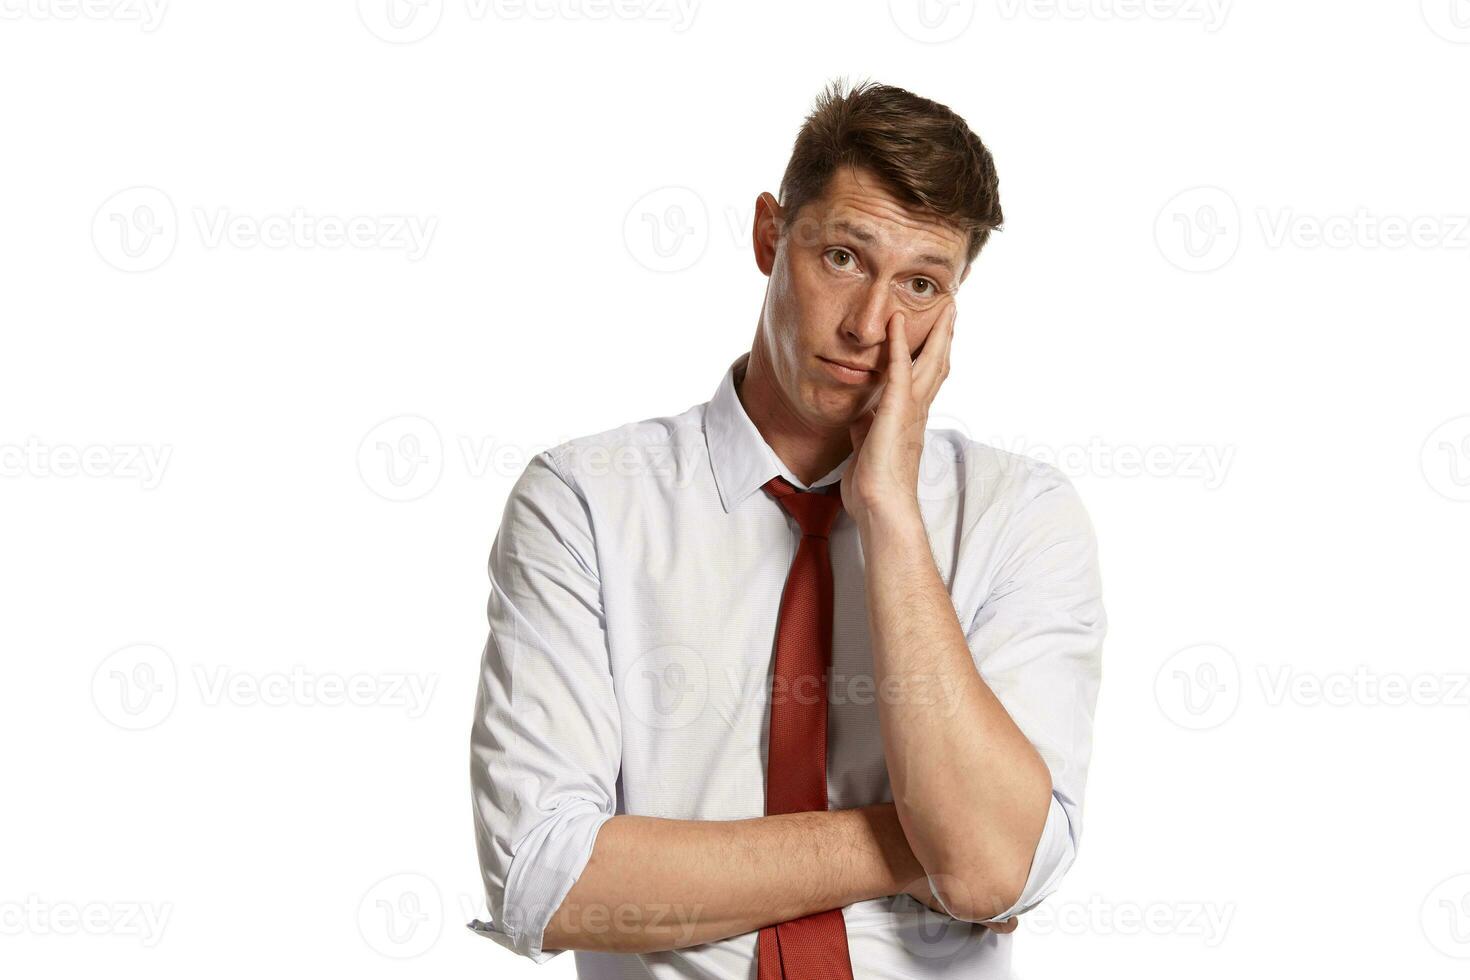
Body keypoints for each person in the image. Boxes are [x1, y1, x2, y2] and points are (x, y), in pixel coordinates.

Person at [468, 77, 1106, 979]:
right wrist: (917, 842)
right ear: (772, 235)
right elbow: (549, 880)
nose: (868, 325)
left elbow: (995, 870)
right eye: (843, 257)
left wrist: (889, 512)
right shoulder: (585, 501)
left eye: (920, 284)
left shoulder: (1020, 517)